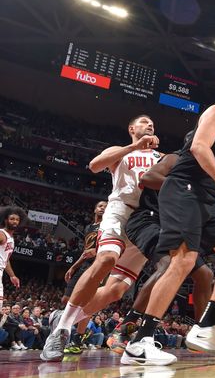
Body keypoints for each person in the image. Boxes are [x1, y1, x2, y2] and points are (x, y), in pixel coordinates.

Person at [121, 70, 215, 366]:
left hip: (207, 197)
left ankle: (205, 327)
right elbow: (199, 146)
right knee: (184, 260)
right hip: (183, 189)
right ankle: (140, 342)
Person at [41, 115, 161, 361]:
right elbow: (95, 165)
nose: (149, 125)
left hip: (148, 220)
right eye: (144, 122)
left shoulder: (160, 157)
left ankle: (61, 317)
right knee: (106, 258)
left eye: (152, 124)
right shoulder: (121, 150)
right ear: (131, 128)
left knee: (116, 290)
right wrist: (134, 147)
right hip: (121, 211)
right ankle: (62, 329)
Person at [105, 149, 214, 354]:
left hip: (171, 226)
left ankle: (200, 334)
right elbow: (148, 177)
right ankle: (125, 330)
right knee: (167, 266)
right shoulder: (177, 159)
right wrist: (182, 189)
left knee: (205, 274)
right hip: (146, 219)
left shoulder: (205, 175)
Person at [61, 200, 106, 355]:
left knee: (86, 303)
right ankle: (69, 328)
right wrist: (73, 267)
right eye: (100, 206)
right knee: (66, 299)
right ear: (95, 209)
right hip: (85, 265)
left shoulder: (107, 225)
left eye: (106, 208)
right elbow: (87, 250)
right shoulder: (89, 227)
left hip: (98, 265)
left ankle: (77, 337)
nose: (102, 209)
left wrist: (98, 252)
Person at [0, 206, 24, 309]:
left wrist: (12, 276)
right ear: (6, 220)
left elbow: (6, 259)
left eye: (17, 219)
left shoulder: (11, 238)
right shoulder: (1, 234)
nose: (15, 221)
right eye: (12, 219)